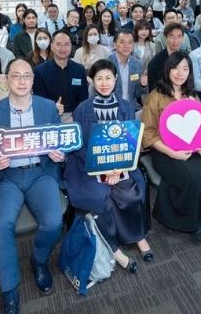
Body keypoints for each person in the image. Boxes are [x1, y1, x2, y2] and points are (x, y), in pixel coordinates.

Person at [0, 58, 65, 312]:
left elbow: (60, 141)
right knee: (3, 225)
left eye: (27, 75)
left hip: (40, 172)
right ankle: (10, 289)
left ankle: (39, 260)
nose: (22, 81)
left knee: (54, 222)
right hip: (7, 177)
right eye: (15, 76)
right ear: (6, 80)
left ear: (33, 79)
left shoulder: (48, 107)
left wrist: (60, 154)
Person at [66, 59, 151, 271]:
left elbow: (130, 142)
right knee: (100, 198)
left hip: (120, 164)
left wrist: (119, 167)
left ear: (115, 79)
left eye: (108, 78)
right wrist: (102, 168)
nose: (104, 83)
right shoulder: (82, 109)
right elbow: (78, 145)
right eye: (99, 79)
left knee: (131, 193)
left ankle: (137, 236)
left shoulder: (125, 107)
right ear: (92, 81)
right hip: (88, 165)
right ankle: (115, 249)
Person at [141, 52, 201, 242]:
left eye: (185, 68)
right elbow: (147, 134)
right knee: (194, 181)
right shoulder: (155, 97)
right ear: (168, 69)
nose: (180, 73)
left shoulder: (192, 95)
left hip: (193, 148)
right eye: (175, 68)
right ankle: (193, 223)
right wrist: (173, 153)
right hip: (165, 151)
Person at [34, 30, 89, 121]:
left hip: (75, 116)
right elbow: (39, 101)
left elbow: (84, 100)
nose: (63, 48)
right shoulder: (40, 71)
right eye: (58, 44)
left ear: (71, 47)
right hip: (49, 117)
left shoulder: (79, 70)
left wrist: (74, 117)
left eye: (66, 44)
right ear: (51, 46)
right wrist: (52, 108)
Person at [109, 29, 146, 106]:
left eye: (130, 42)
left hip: (131, 106)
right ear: (114, 44)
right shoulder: (107, 63)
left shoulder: (137, 64)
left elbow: (137, 94)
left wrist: (142, 85)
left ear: (133, 45)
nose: (126, 46)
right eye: (122, 42)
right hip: (111, 106)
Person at [146, 22, 186, 92]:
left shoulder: (186, 58)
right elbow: (154, 89)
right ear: (166, 38)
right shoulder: (155, 63)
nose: (176, 40)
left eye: (179, 36)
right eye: (172, 36)